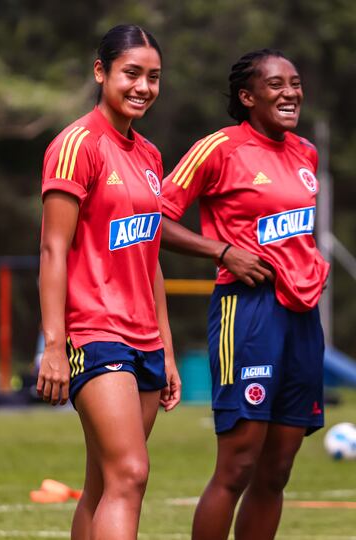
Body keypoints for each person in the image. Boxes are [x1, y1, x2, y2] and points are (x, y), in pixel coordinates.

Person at [161, 49, 329, 540]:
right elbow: (154, 220)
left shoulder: (305, 153)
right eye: (276, 85)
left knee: (277, 470)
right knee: (238, 465)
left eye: (295, 83)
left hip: (302, 316)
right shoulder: (218, 148)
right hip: (247, 309)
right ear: (247, 96)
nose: (290, 94)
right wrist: (222, 251)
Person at [36, 24, 181, 540]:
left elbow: (151, 256)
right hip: (95, 332)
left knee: (103, 484)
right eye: (132, 73)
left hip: (144, 338)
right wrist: (54, 345)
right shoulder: (76, 144)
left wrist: (165, 346)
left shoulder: (149, 156)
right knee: (131, 474)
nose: (143, 86)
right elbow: (54, 249)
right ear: (101, 72)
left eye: (154, 77)